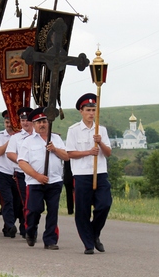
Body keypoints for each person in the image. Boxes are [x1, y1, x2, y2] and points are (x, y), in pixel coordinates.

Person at [65, 93, 112, 255]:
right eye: (88, 110)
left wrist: (100, 142)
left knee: (104, 204)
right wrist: (88, 152)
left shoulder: (101, 130)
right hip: (81, 174)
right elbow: (70, 153)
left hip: (100, 173)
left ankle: (94, 233)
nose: (91, 113)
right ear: (81, 111)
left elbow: (108, 153)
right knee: (82, 210)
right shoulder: (74, 130)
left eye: (94, 110)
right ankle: (88, 244)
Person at [18, 107, 69, 250]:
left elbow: (66, 157)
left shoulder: (56, 139)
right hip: (35, 182)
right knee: (33, 210)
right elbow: (22, 162)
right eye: (38, 122)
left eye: (44, 121)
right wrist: (37, 176)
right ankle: (31, 231)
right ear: (34, 125)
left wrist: (55, 149)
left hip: (54, 181)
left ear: (49, 122)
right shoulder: (28, 141)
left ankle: (50, 240)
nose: (42, 124)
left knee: (53, 211)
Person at [6, 107, 34, 236]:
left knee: (35, 203)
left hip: (37, 174)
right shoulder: (16, 138)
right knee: (25, 201)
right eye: (23, 120)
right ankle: (26, 228)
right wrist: (23, 162)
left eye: (27, 120)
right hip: (22, 173)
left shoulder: (39, 136)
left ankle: (31, 225)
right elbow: (10, 153)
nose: (25, 123)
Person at [0, 110, 20, 238]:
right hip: (3, 172)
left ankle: (7, 226)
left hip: (16, 172)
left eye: (10, 122)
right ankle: (10, 225)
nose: (8, 124)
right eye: (6, 122)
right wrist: (11, 140)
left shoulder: (21, 136)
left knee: (17, 202)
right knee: (8, 200)